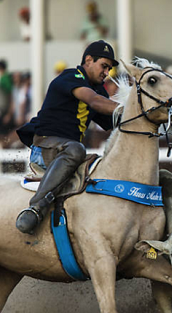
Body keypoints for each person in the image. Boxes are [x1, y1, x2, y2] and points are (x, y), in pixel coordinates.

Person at [14, 40, 119, 234]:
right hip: (45, 149)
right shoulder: (71, 76)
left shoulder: (98, 89)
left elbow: (115, 121)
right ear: (88, 60)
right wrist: (134, 109)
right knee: (77, 149)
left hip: (66, 152)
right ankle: (35, 209)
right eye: (104, 66)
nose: (107, 73)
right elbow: (96, 102)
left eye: (109, 69)